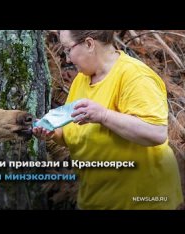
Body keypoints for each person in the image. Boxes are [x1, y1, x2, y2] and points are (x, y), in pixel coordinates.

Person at [33, 30, 184, 210]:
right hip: (95, 199)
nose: (67, 59)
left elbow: (156, 132)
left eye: (67, 50)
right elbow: (76, 133)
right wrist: (53, 131)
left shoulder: (135, 76)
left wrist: (104, 115)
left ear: (89, 44)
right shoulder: (81, 80)